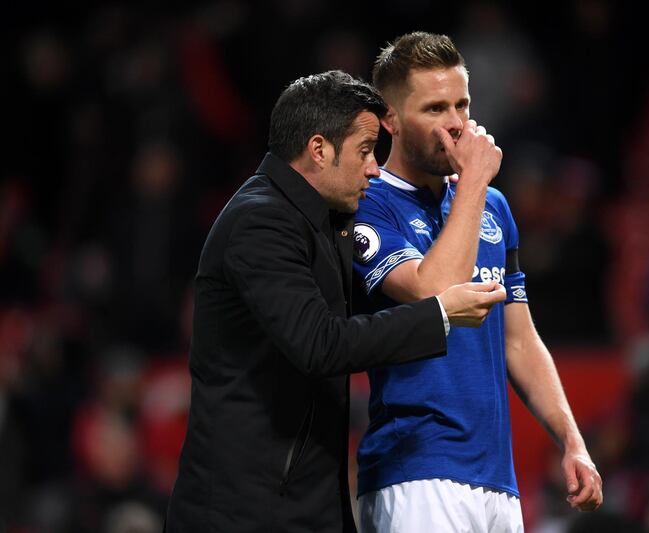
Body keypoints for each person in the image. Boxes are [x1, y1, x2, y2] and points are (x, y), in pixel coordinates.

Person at [163, 70, 507, 533]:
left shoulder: (321, 219)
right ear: (319, 149)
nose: (373, 168)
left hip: (305, 500)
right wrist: (440, 314)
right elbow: (320, 344)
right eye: (365, 151)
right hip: (243, 510)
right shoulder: (259, 222)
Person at [352, 33, 602, 532]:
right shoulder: (369, 202)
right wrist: (472, 185)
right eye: (435, 108)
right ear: (391, 119)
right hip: (415, 471)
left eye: (462, 104)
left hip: (496, 479)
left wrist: (572, 440)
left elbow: (519, 338)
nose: (455, 123)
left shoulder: (493, 206)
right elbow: (433, 294)